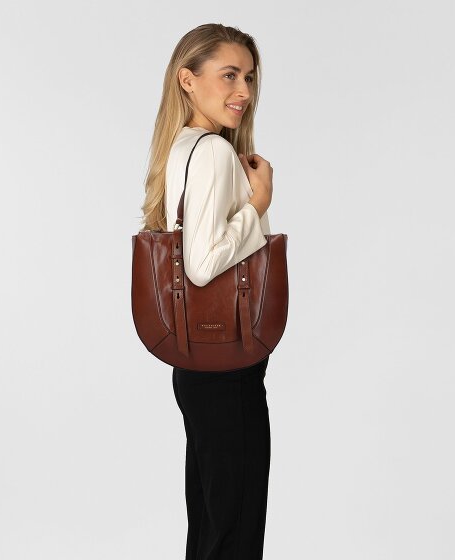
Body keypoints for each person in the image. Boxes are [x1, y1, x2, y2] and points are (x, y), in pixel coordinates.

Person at [140, 23, 275, 560]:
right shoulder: (214, 152)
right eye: (229, 75)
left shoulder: (181, 147)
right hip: (228, 363)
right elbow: (201, 265)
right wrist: (256, 207)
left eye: (249, 77)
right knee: (236, 529)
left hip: (197, 364)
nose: (243, 91)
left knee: (212, 525)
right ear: (188, 79)